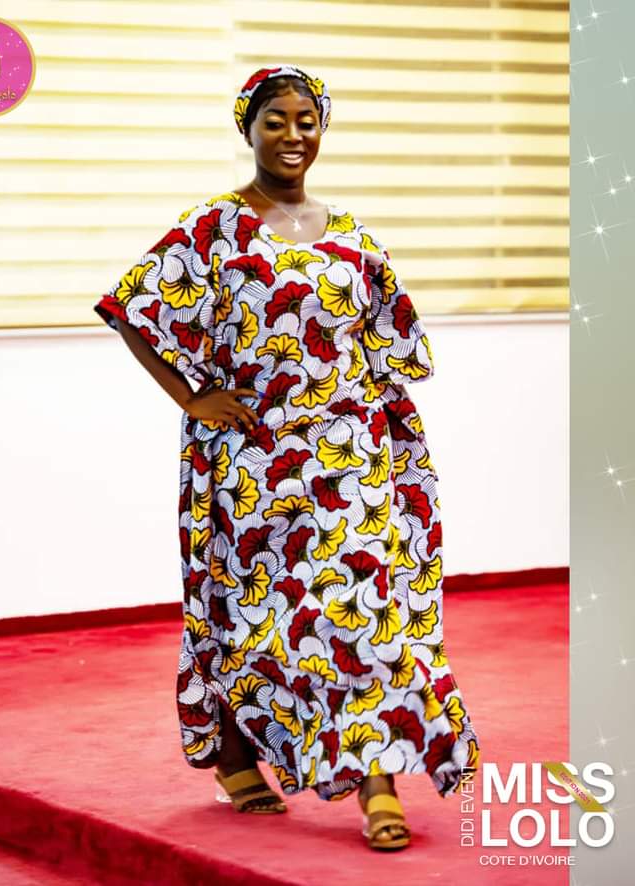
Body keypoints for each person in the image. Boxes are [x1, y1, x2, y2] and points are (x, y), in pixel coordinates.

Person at [94, 63, 479, 851]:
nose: (294, 135)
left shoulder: (352, 235)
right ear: (249, 128)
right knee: (250, 614)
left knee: (369, 612)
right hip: (253, 459)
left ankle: (378, 783)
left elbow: (387, 353)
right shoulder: (213, 227)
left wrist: (393, 453)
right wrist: (192, 398)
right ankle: (235, 753)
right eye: (276, 120)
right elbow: (130, 307)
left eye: (307, 120)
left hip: (350, 462)